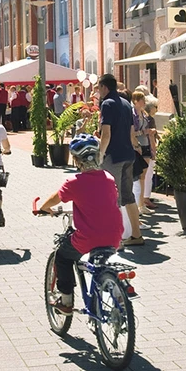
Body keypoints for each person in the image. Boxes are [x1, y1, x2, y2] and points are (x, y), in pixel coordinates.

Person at [35, 134, 123, 314]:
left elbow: (56, 198)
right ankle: (114, 289)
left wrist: (43, 208)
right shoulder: (108, 177)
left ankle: (66, 302)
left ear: (76, 160)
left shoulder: (74, 182)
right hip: (115, 234)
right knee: (100, 262)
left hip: (89, 237)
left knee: (63, 256)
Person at [97, 73, 142, 246]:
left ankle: (114, 239)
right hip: (128, 155)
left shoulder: (107, 104)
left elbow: (106, 134)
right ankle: (137, 235)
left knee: (111, 197)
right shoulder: (125, 103)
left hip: (113, 157)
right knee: (128, 196)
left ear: (104, 87)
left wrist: (100, 155)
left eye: (99, 88)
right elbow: (132, 133)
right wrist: (136, 147)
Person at [139, 97, 161, 209]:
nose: (157, 109)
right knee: (148, 173)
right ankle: (145, 198)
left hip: (143, 146)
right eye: (155, 107)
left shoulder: (143, 118)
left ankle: (143, 198)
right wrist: (154, 149)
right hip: (148, 147)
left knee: (145, 174)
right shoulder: (149, 119)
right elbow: (151, 135)